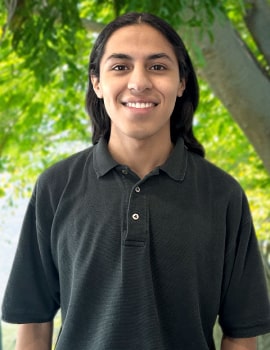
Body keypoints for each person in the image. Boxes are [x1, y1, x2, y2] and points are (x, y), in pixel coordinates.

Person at [1, 12, 270, 350]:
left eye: (158, 67)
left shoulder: (223, 195)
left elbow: (242, 334)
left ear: (182, 82)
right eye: (120, 66)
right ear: (97, 83)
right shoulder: (55, 187)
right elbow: (33, 321)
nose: (139, 81)